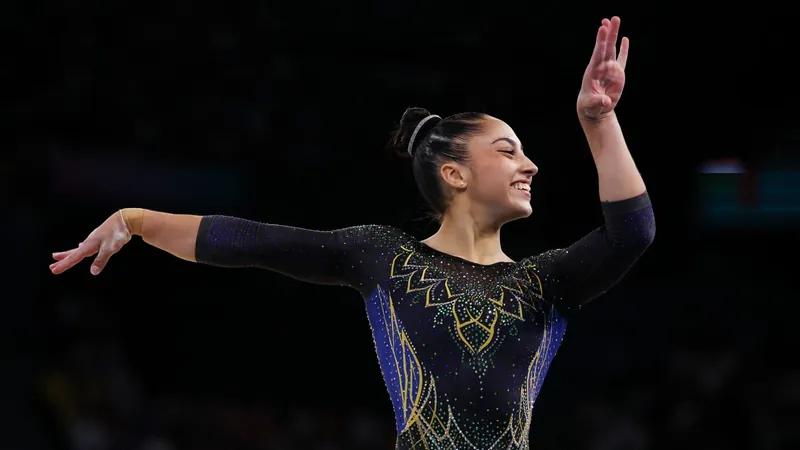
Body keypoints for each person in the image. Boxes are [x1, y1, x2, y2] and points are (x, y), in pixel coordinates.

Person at [50, 16, 654, 450]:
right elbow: (250, 240)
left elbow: (632, 232)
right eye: (507, 150)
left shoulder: (543, 283)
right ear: (455, 173)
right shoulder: (382, 255)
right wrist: (135, 221)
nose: (530, 164)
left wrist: (598, 121)